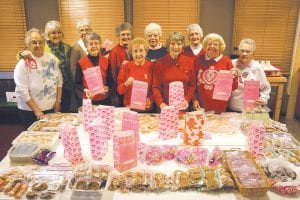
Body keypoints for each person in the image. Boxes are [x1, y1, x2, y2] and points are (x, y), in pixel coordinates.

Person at [14, 28, 62, 129]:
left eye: (40, 42)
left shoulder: (51, 59)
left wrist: (58, 101)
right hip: (30, 111)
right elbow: (22, 91)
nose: (38, 45)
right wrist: (37, 110)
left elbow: (59, 82)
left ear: (44, 43)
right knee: (33, 138)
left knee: (50, 136)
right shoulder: (23, 63)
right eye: (34, 42)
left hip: (50, 107)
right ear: (28, 44)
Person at [193, 33, 238, 113]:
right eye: (209, 44)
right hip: (200, 106)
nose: (212, 46)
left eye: (216, 44)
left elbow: (234, 87)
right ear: (205, 46)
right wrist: (194, 99)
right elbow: (192, 82)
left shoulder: (226, 61)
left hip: (220, 106)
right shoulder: (199, 60)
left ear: (221, 47)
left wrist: (234, 76)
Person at [152, 32, 196, 111]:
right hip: (165, 108)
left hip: (183, 107)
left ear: (182, 46)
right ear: (168, 46)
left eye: (179, 44)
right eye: (172, 44)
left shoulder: (189, 62)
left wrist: (186, 100)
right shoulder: (159, 63)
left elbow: (192, 85)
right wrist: (161, 103)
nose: (176, 47)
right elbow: (155, 87)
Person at [229, 38, 271, 112]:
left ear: (253, 53)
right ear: (238, 52)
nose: (244, 54)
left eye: (248, 51)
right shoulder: (231, 64)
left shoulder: (257, 67)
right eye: (242, 51)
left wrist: (263, 98)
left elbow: (265, 88)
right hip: (231, 107)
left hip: (250, 109)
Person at [75, 32, 113, 105]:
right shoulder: (80, 63)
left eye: (96, 43)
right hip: (89, 99)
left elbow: (111, 81)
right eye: (91, 44)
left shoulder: (106, 61)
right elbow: (77, 83)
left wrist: (107, 88)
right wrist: (85, 90)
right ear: (86, 46)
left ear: (100, 45)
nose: (94, 46)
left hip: (104, 100)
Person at [117, 38, 154, 112]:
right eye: (135, 51)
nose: (138, 54)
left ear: (146, 52)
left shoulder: (152, 67)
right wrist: (126, 84)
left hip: (147, 109)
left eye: (141, 50)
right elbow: (119, 91)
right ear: (131, 53)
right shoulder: (126, 67)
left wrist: (151, 99)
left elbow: (155, 88)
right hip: (130, 108)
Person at [43, 20, 72, 112]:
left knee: (66, 110)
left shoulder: (67, 47)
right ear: (48, 35)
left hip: (67, 86)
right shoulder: (43, 48)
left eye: (59, 32)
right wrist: (22, 53)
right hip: (52, 86)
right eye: (53, 33)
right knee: (54, 111)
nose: (57, 35)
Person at [69, 19, 93, 110]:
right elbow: (73, 71)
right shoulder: (76, 48)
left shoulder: (92, 44)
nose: (85, 32)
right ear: (78, 32)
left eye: (87, 29)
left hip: (93, 86)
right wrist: (81, 88)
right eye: (81, 30)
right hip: (82, 88)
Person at [109, 22, 133, 107]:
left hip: (133, 89)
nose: (126, 37)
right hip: (120, 92)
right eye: (123, 34)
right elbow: (112, 74)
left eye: (128, 34)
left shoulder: (135, 49)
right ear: (118, 36)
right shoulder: (114, 52)